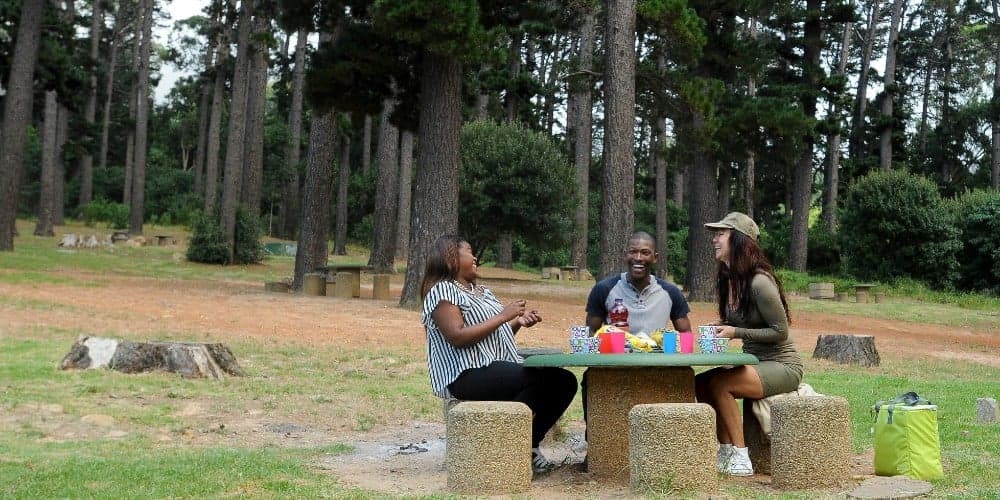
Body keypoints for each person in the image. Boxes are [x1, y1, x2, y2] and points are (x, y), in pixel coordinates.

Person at [421, 235, 578, 475]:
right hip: (465, 374)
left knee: (564, 381)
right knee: (540, 380)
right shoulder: (442, 290)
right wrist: (504, 316)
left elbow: (493, 334)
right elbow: (457, 336)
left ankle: (526, 445)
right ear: (451, 258)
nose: (475, 258)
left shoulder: (482, 292)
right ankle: (505, 447)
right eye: (469, 252)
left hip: (492, 366)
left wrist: (516, 323)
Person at [696, 212, 803, 476]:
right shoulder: (730, 279)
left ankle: (741, 457)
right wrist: (722, 325)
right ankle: (725, 451)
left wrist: (735, 332)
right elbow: (743, 320)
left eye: (721, 234)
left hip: (782, 365)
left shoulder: (760, 282)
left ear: (739, 241)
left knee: (721, 384)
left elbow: (780, 332)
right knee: (701, 382)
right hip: (755, 362)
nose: (715, 240)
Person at [580, 231, 692, 444]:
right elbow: (590, 333)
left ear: (655, 257)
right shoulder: (604, 289)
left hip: (656, 365)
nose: (638, 258)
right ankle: (596, 445)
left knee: (684, 375)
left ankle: (674, 444)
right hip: (615, 365)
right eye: (633, 252)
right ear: (626, 254)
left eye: (645, 253)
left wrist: (670, 349)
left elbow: (686, 334)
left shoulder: (670, 292)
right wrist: (607, 347)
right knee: (590, 378)